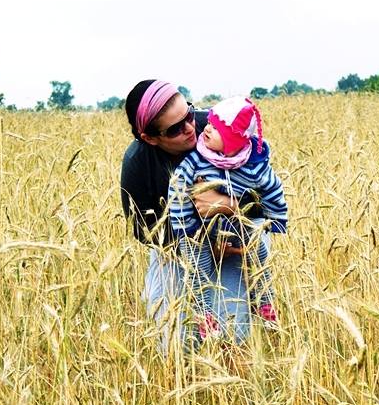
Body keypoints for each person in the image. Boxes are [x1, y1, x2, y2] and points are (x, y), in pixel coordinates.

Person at [120, 80, 270, 351]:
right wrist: (203, 246)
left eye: (188, 113)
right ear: (151, 138)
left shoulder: (218, 127)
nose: (191, 128)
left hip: (239, 232)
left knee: (231, 331)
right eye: (176, 128)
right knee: (174, 338)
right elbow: (144, 229)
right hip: (180, 248)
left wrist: (227, 204)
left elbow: (267, 197)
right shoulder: (137, 162)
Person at [168, 96, 287, 340]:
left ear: (233, 140)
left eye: (215, 128)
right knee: (197, 268)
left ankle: (263, 301)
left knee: (260, 254)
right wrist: (186, 228)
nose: (206, 128)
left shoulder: (252, 165)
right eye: (209, 122)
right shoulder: (198, 159)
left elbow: (273, 188)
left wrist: (274, 220)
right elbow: (177, 187)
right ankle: (204, 316)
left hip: (237, 224)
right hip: (199, 230)